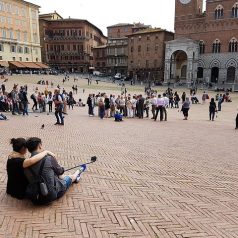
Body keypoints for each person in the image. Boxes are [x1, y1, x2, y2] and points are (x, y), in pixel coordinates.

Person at [24, 137, 85, 204]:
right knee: (70, 177)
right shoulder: (48, 158)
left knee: (55, 175)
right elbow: (60, 171)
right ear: (40, 146)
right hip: (51, 194)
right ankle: (78, 172)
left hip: (35, 196)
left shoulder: (26, 164)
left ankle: (75, 175)